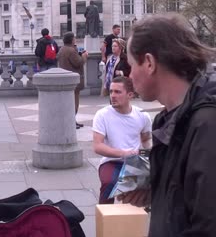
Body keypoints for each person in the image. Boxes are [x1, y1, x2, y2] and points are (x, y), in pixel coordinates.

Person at [120, 14, 216, 236]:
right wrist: (157, 190)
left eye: (131, 65)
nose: (129, 74)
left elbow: (208, 224)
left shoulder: (207, 125)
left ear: (150, 63)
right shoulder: (169, 118)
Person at [92, 76, 152, 204]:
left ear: (130, 95)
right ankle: (105, 219)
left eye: (117, 92)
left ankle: (131, 219)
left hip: (135, 161)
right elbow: (98, 146)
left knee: (139, 191)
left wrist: (148, 158)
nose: (113, 96)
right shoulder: (102, 115)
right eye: (111, 91)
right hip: (111, 161)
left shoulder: (143, 116)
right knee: (109, 183)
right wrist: (123, 153)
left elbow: (146, 140)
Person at [57, 32, 88, 129]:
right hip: (73, 80)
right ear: (71, 40)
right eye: (74, 38)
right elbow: (78, 63)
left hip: (66, 79)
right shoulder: (71, 50)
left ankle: (72, 121)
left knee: (69, 102)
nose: (75, 39)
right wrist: (84, 56)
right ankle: (71, 122)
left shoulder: (62, 49)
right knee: (74, 103)